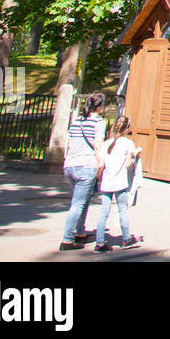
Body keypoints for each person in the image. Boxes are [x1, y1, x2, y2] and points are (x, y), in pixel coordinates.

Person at [60, 92, 107, 251]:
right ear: (100, 106)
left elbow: (69, 142)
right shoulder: (99, 122)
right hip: (86, 165)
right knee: (78, 203)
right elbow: (98, 145)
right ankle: (67, 239)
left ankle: (80, 233)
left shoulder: (77, 121)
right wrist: (100, 165)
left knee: (83, 200)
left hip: (70, 165)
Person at [94, 117, 143, 252]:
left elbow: (100, 164)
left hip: (106, 181)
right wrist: (135, 154)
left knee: (103, 212)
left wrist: (99, 178)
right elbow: (128, 164)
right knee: (123, 209)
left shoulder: (107, 143)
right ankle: (126, 239)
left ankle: (99, 242)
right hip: (120, 182)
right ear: (127, 129)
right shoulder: (127, 143)